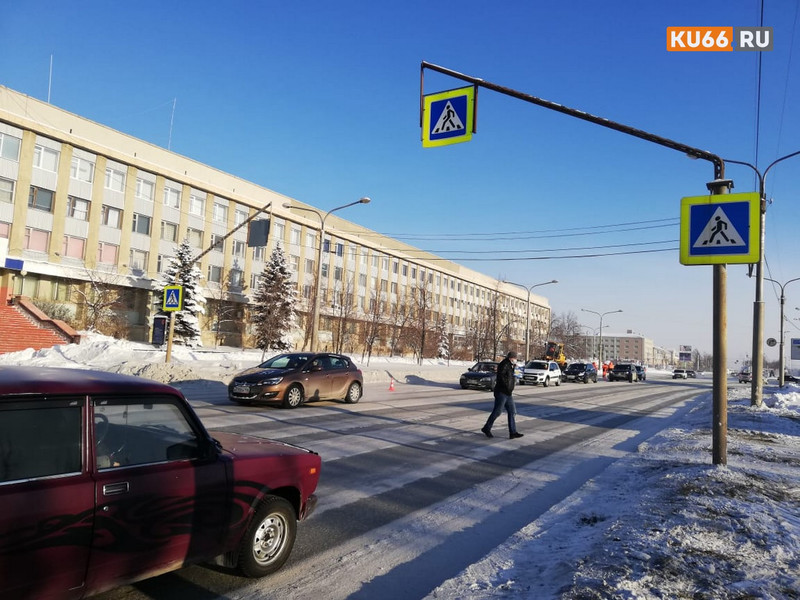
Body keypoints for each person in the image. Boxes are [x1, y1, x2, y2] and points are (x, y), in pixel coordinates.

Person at [481, 351, 523, 440]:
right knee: (498, 411)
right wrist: (507, 386)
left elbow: (512, 377)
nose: (515, 360)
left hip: (508, 393)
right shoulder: (504, 364)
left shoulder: (511, 366)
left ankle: (513, 432)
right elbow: (502, 377)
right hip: (502, 392)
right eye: (515, 358)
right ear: (511, 358)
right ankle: (486, 428)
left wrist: (516, 371)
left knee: (512, 411)